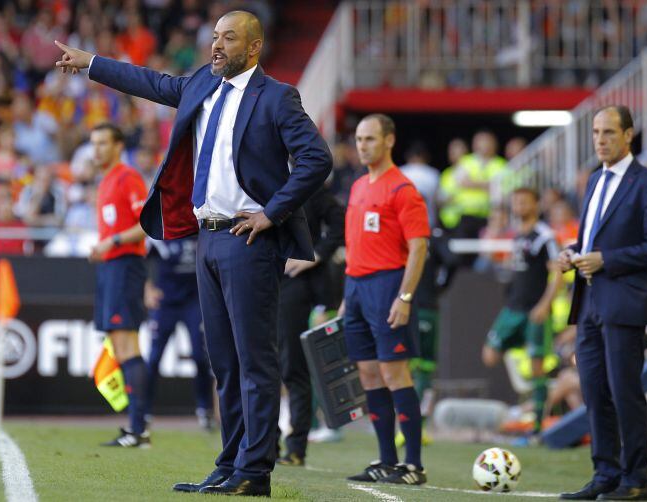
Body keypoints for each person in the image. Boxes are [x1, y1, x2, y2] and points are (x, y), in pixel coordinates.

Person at [56, 10, 331, 497]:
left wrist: (273, 212)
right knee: (223, 362)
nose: (216, 46)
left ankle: (255, 471)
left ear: (254, 48)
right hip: (205, 238)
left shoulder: (278, 97)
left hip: (250, 239)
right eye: (214, 37)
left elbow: (317, 159)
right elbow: (150, 81)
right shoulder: (203, 83)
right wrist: (91, 63)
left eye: (229, 38)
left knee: (255, 362)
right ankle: (230, 465)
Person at [558, 106, 647, 501]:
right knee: (593, 390)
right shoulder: (594, 181)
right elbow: (592, 239)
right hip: (589, 299)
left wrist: (607, 260)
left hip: (624, 302)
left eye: (609, 132)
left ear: (628, 135)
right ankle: (605, 474)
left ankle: (637, 480)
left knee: (624, 391)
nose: (600, 140)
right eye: (595, 132)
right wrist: (572, 253)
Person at [340, 114, 430, 485]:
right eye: (360, 139)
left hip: (388, 284)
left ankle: (412, 465)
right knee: (368, 373)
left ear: (389, 140)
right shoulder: (359, 185)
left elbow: (419, 246)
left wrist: (405, 296)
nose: (363, 145)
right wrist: (347, 296)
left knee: (395, 371)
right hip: (356, 285)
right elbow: (355, 244)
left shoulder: (403, 189)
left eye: (370, 139)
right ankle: (385, 459)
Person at [481, 188, 562, 436]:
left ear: (536, 205)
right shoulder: (517, 236)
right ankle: (521, 342)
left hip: (534, 310)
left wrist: (544, 305)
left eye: (524, 202)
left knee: (537, 369)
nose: (519, 206)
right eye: (516, 202)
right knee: (490, 355)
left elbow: (557, 272)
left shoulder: (544, 236)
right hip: (513, 308)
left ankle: (537, 425)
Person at [88, 123, 150, 448]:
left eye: (102, 143)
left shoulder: (128, 177)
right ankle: (137, 427)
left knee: (127, 345)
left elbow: (147, 224)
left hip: (126, 265)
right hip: (113, 265)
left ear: (118, 145)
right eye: (93, 144)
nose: (96, 149)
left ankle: (139, 429)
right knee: (122, 344)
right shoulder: (106, 181)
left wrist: (109, 242)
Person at [276, 186, 345, 467]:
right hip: (264, 280)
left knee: (294, 367)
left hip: (297, 286)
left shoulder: (309, 188)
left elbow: (341, 222)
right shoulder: (260, 180)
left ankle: (295, 446)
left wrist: (314, 255)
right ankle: (265, 441)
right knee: (264, 365)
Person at [144, 235, 215, 430]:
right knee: (154, 358)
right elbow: (141, 259)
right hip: (165, 302)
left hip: (194, 301)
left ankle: (204, 410)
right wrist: (147, 288)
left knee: (201, 357)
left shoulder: (201, 227)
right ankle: (143, 411)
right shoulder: (160, 232)